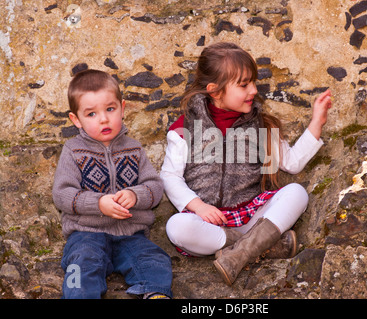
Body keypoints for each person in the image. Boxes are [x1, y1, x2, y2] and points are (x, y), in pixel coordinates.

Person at [161, 42, 332, 286]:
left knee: (296, 193)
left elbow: (292, 163)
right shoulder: (184, 128)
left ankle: (240, 254)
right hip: (211, 225)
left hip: (252, 217)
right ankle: (265, 246)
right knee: (177, 227)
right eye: (243, 85)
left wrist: (317, 121)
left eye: (253, 82)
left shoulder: (260, 126)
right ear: (215, 90)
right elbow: (169, 176)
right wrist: (198, 207)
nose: (253, 90)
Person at [52, 69, 172, 299]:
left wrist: (136, 195)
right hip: (86, 233)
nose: (104, 119)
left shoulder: (134, 148)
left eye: (110, 109)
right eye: (91, 114)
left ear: (122, 108)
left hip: (131, 234)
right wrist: (98, 203)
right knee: (79, 265)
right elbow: (62, 194)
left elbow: (155, 187)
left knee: (155, 259)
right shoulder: (73, 151)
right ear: (75, 119)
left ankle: (156, 293)